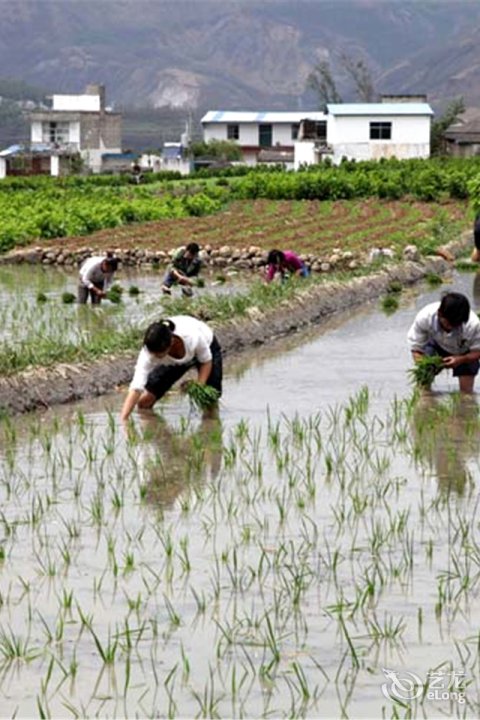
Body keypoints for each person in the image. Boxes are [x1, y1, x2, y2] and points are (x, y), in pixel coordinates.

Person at [120, 315, 222, 421]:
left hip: (207, 347)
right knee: (144, 402)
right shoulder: (147, 354)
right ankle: (160, 435)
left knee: (210, 400)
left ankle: (210, 427)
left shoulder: (192, 337)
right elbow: (136, 387)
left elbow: (206, 361)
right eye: (152, 353)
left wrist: (199, 385)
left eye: (158, 354)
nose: (154, 357)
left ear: (172, 343)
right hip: (174, 360)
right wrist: (124, 419)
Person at [407, 291, 480, 393]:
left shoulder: (473, 324)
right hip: (436, 345)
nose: (452, 327)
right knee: (424, 389)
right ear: (439, 314)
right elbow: (416, 348)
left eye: (456, 324)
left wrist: (462, 359)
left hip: (464, 351)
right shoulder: (425, 317)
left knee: (466, 394)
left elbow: (477, 351)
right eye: (448, 323)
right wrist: (424, 365)